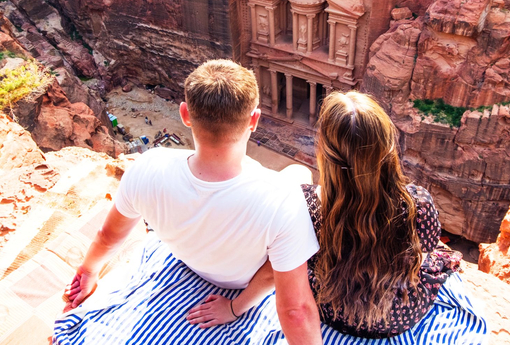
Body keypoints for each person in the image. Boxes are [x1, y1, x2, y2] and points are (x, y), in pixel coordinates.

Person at [61, 59, 322, 345]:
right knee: (299, 173)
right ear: (253, 120)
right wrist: (236, 308)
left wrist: (88, 271)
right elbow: (295, 311)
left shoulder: (148, 166)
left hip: (189, 258)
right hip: (242, 281)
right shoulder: (284, 200)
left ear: (185, 114)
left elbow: (108, 235)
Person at [198, 91, 485, 342]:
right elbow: (420, 255)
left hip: (332, 312)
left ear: (326, 152)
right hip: (398, 315)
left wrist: (234, 308)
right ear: (388, 148)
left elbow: (275, 270)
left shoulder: (306, 206)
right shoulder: (418, 204)